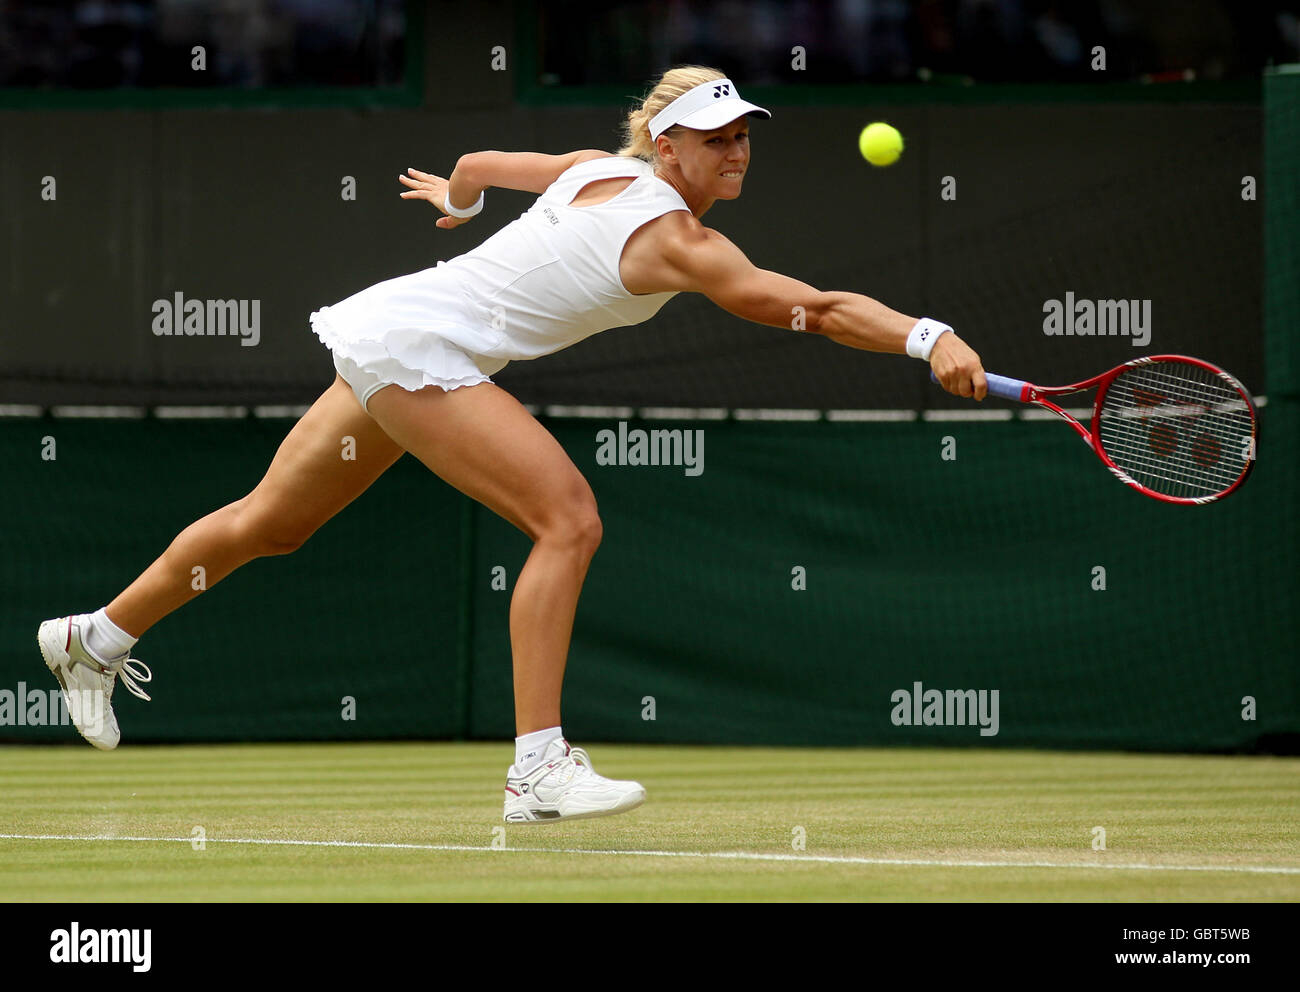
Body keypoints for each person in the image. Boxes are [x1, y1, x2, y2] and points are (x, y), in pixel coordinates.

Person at [38, 65, 987, 824]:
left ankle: (94, 637)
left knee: (269, 524)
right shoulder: (681, 244)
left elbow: (478, 162)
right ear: (667, 145)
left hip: (393, 328)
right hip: (420, 347)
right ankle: (537, 768)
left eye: (742, 136)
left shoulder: (590, 167)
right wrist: (927, 336)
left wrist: (458, 203)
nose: (736, 152)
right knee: (568, 521)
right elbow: (819, 310)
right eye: (716, 138)